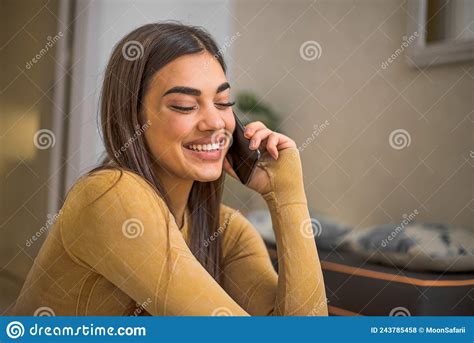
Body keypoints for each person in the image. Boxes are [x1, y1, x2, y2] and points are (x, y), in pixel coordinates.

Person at [12, 22, 328, 316]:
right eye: (184, 106)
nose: (216, 122)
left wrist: (287, 195)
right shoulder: (109, 196)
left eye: (223, 102)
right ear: (132, 118)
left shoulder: (226, 230)